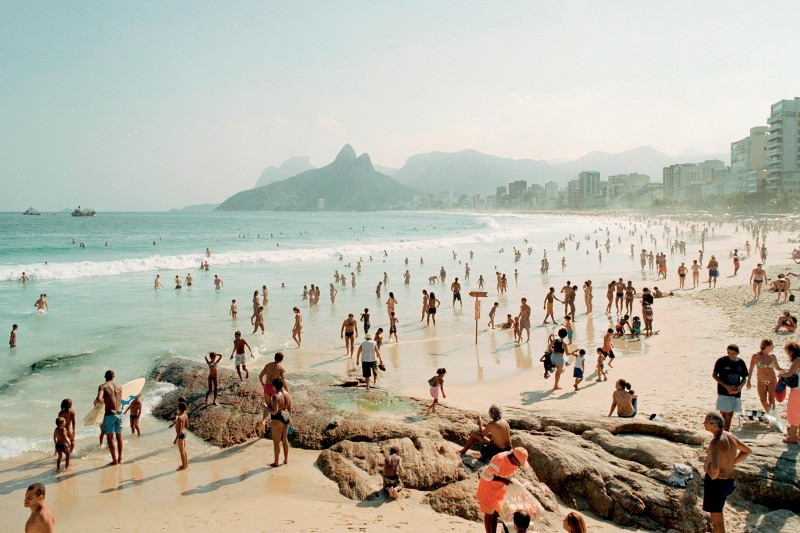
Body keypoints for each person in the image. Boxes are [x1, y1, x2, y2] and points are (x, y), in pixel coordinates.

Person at [703, 411, 751, 532]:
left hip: (717, 483)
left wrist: (709, 473)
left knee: (717, 521)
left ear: (714, 425)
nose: (704, 424)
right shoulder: (730, 436)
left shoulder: (715, 443)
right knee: (719, 513)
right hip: (728, 481)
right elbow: (747, 450)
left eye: (706, 422)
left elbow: (714, 471)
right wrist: (732, 463)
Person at [475, 447, 528, 533]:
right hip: (489, 488)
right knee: (489, 513)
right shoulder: (499, 460)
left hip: (499, 488)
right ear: (514, 458)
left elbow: (508, 474)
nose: (518, 466)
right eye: (518, 463)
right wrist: (504, 480)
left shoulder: (512, 462)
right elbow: (486, 475)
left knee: (496, 513)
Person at [712, 344, 748, 431]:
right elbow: (714, 375)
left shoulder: (741, 363)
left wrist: (740, 387)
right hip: (723, 391)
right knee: (723, 414)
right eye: (729, 353)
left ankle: (726, 433)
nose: (730, 355)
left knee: (729, 415)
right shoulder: (721, 361)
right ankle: (722, 432)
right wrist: (726, 386)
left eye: (733, 353)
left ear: (738, 353)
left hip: (736, 392)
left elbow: (744, 378)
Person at [95, 369, 123, 465]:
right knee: (119, 437)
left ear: (105, 377)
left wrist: (97, 402)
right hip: (120, 413)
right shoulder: (120, 386)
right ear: (114, 376)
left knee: (110, 438)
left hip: (110, 414)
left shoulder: (103, 386)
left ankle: (114, 460)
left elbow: (99, 399)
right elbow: (119, 399)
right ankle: (120, 458)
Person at [746, 339, 779, 413]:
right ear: (767, 346)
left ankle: (772, 415)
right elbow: (751, 369)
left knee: (771, 399)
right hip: (761, 381)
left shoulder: (773, 356)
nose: (773, 347)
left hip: (772, 380)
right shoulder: (756, 356)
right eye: (772, 345)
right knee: (763, 399)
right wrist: (749, 381)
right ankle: (769, 413)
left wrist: (788, 370)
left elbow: (777, 368)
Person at [266, 377, 292, 466]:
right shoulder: (287, 394)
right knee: (285, 439)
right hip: (286, 415)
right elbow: (290, 407)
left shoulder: (275, 396)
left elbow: (275, 411)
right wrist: (290, 418)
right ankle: (286, 459)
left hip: (278, 418)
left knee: (276, 442)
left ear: (273, 386)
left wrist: (265, 407)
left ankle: (276, 462)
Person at [778, 341, 800, 444]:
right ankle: (798, 435)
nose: (788, 354)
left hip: (797, 389)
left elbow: (790, 373)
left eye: (788, 352)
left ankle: (793, 437)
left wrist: (781, 375)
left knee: (794, 411)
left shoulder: (798, 360)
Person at [173, 401, 189, 470]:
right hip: (184, 434)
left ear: (179, 409)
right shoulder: (185, 415)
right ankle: (186, 464)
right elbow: (187, 425)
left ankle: (184, 466)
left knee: (181, 452)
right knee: (184, 450)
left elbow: (179, 430)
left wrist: (176, 439)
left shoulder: (179, 417)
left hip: (180, 436)